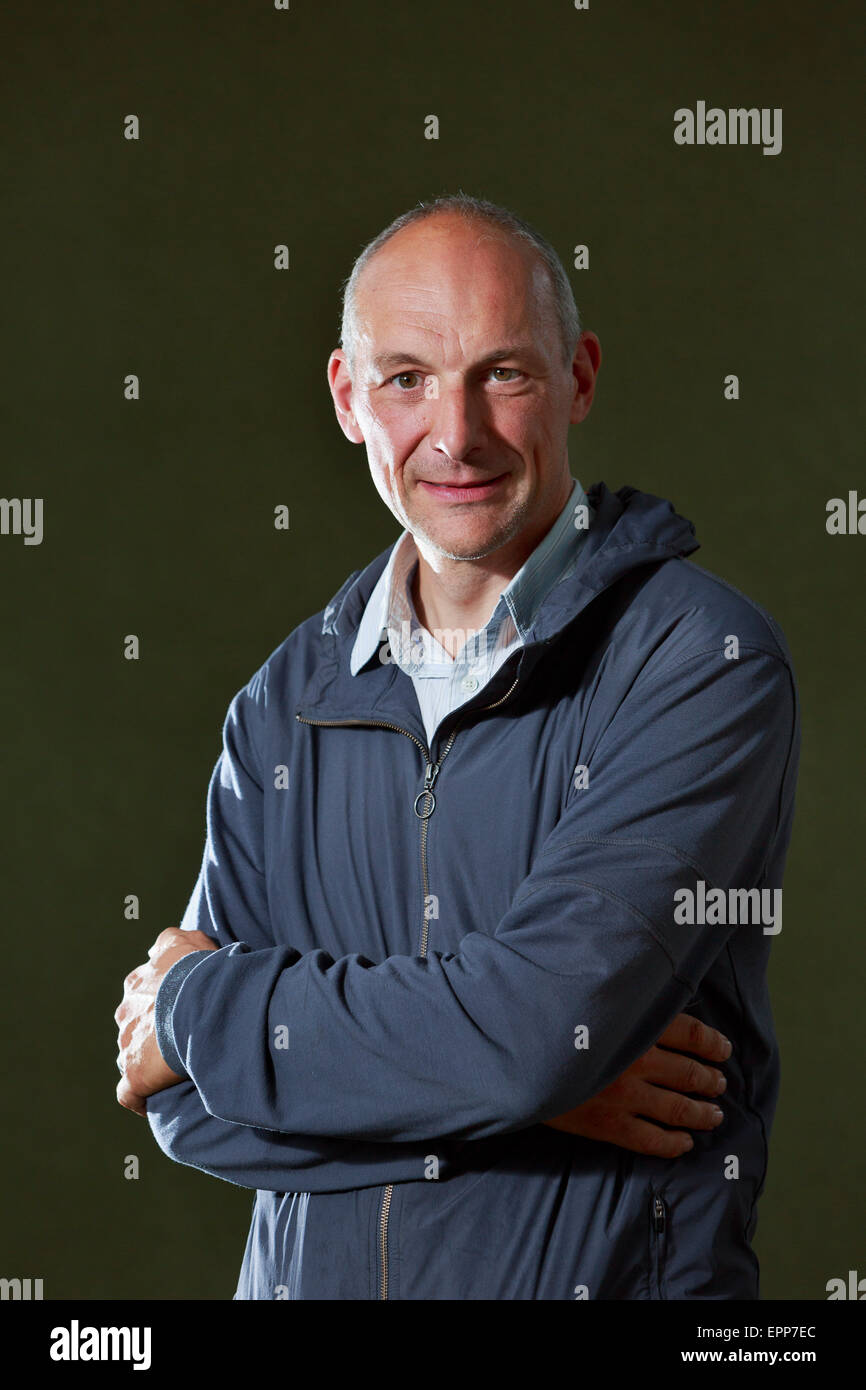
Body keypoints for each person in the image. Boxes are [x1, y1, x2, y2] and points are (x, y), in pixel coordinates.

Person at [114, 193, 800, 1300]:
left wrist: (200, 1012)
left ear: (576, 377)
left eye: (503, 374)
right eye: (405, 378)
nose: (456, 433)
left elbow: (530, 1034)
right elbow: (187, 1108)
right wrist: (535, 1096)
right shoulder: (283, 701)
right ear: (347, 399)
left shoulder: (698, 661)